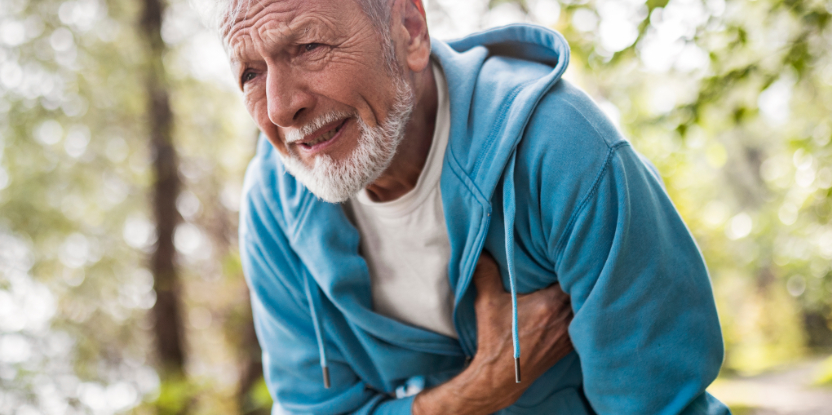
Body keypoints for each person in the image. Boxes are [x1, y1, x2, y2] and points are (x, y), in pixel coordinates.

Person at [211, 0, 731, 412]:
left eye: (307, 45)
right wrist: (484, 387)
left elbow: (659, 405)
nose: (281, 107)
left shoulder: (564, 149)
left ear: (410, 29)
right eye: (250, 74)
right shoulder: (272, 206)